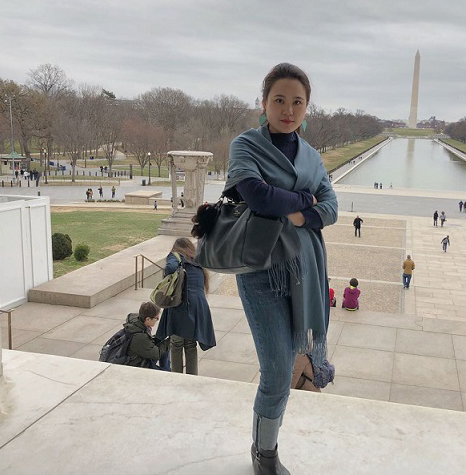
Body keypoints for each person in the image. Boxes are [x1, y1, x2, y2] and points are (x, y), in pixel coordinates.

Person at [197, 63, 337, 474]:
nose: (288, 110)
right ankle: (264, 454)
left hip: (303, 272)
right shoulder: (245, 145)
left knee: (290, 363)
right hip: (261, 270)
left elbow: (331, 208)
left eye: (297, 102)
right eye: (279, 100)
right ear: (264, 103)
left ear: (307, 108)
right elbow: (257, 196)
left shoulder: (311, 156)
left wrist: (297, 212)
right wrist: (306, 202)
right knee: (277, 370)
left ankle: (267, 444)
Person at [155, 238, 216, 375]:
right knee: (190, 344)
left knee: (176, 343)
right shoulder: (197, 260)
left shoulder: (175, 256)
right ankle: (192, 377)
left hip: (181, 304)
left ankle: (177, 377)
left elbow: (170, 268)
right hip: (198, 305)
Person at [124, 302, 170, 369]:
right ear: (147, 319)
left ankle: (166, 369)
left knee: (163, 344)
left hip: (141, 354)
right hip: (137, 364)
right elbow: (157, 354)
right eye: (156, 318)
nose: (158, 320)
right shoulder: (139, 336)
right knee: (165, 346)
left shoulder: (139, 323)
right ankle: (166, 371)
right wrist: (170, 340)